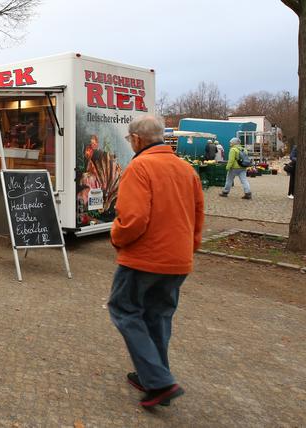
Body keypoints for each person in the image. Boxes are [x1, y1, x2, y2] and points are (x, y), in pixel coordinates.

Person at [109, 114, 203, 408]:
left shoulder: (140, 167)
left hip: (144, 259)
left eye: (129, 139)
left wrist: (116, 236)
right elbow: (198, 216)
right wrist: (189, 248)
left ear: (136, 139)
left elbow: (133, 219)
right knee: (158, 317)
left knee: (124, 309)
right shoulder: (186, 169)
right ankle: (154, 378)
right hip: (178, 259)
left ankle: (160, 381)